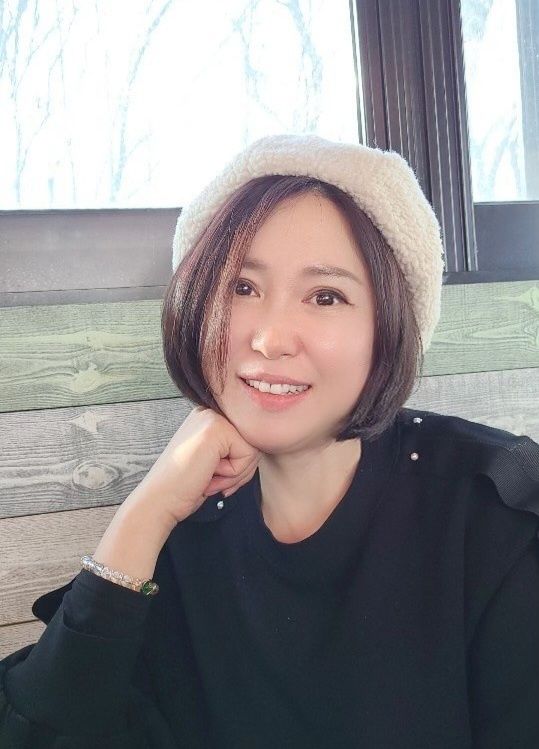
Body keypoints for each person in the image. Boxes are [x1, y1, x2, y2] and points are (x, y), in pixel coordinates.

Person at [1, 133, 538, 749]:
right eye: (242, 287)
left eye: (326, 296)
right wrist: (144, 515)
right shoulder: (179, 533)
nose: (270, 338)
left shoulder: (492, 520)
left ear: (390, 327)